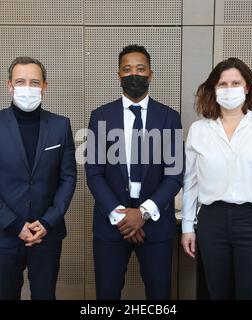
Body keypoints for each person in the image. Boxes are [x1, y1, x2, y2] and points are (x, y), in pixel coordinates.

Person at [181, 57, 252, 300]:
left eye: (236, 83)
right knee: (217, 292)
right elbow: (190, 183)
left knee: (251, 293)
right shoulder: (200, 130)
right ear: (213, 89)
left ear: (247, 87)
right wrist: (188, 227)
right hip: (212, 222)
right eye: (222, 84)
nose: (229, 89)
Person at [0, 56, 77, 300]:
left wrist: (48, 221)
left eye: (34, 82)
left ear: (45, 86)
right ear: (9, 85)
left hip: (46, 233)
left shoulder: (60, 125)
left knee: (45, 295)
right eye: (20, 81)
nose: (27, 88)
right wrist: (16, 225)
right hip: (2, 233)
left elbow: (68, 178)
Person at [85, 45, 183, 300]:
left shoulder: (169, 118)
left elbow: (175, 175)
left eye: (140, 69)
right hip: (111, 225)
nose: (134, 75)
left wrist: (143, 213)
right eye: (127, 69)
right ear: (119, 74)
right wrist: (123, 217)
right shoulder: (100, 116)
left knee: (160, 295)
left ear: (151, 74)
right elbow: (94, 173)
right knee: (106, 295)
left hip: (156, 224)